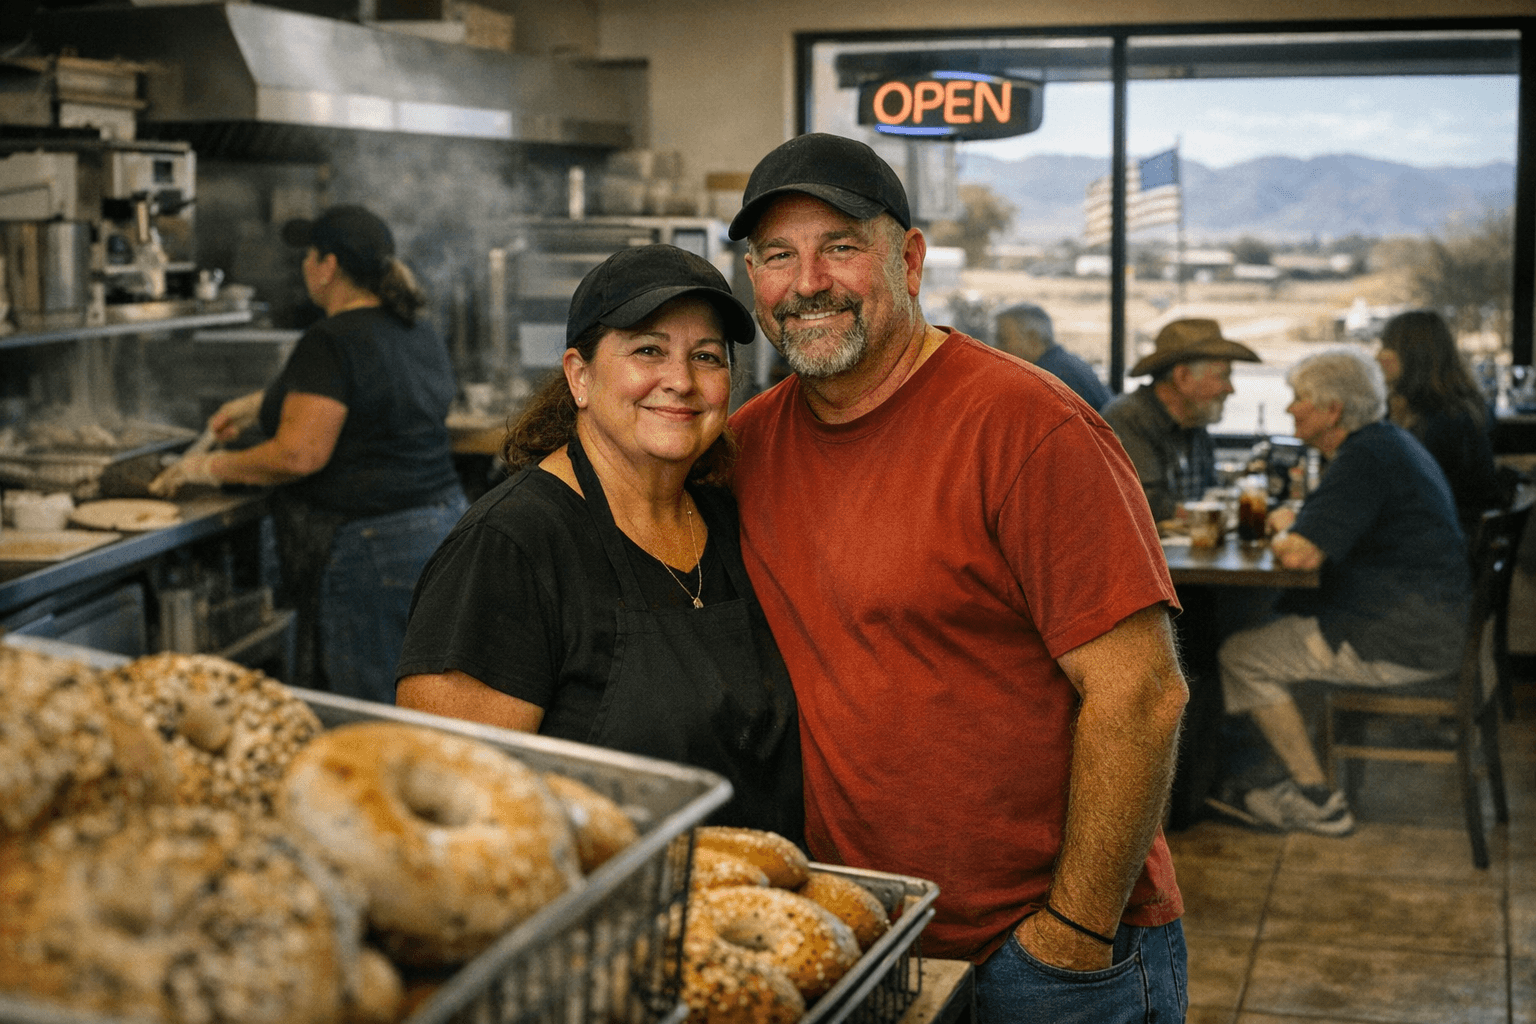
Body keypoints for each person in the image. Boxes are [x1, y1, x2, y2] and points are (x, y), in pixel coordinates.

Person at [726, 132, 1188, 1022]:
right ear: (754, 279)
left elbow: (1142, 694)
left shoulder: (1029, 428)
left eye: (842, 247)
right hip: (876, 940)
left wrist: (1071, 936)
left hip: (1043, 955)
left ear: (909, 259)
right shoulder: (749, 444)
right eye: (778, 255)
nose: (808, 281)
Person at [394, 244, 802, 839]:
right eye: (648, 350)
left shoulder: (725, 517)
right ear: (579, 376)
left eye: (707, 357)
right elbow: (442, 808)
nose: (682, 381)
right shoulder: (510, 546)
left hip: (745, 902)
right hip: (602, 918)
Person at [151, 204, 467, 703]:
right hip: (443, 530)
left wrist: (207, 466)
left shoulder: (330, 339)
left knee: (370, 714)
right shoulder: (414, 328)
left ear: (327, 266)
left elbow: (298, 456)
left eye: (310, 255)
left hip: (371, 547)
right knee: (427, 705)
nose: (304, 267)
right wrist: (265, 405)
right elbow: (373, 398)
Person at [1217, 348, 1470, 836]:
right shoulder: (1387, 443)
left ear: (1332, 410)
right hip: (1431, 626)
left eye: (1298, 399)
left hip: (1402, 641)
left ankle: (1317, 799)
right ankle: (1274, 768)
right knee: (1269, 628)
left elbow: (1299, 557)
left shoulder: (1364, 459)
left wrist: (1282, 523)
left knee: (1240, 654)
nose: (1290, 409)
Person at [1101, 318, 1261, 521]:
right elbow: (1146, 506)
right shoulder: (1128, 419)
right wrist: (1221, 514)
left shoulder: (1194, 420)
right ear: (1183, 376)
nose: (1230, 389)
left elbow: (1207, 493)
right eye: (1222, 377)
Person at [1376, 308, 1501, 535]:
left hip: (1442, 542)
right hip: (1446, 533)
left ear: (1412, 355)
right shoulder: (1456, 405)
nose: (1377, 357)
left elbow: (1405, 490)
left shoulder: (1447, 421)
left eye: (1386, 347)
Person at [990, 300, 1112, 410]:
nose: (996, 347)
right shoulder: (1064, 363)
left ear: (1033, 338)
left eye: (1002, 339)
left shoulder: (1048, 379)